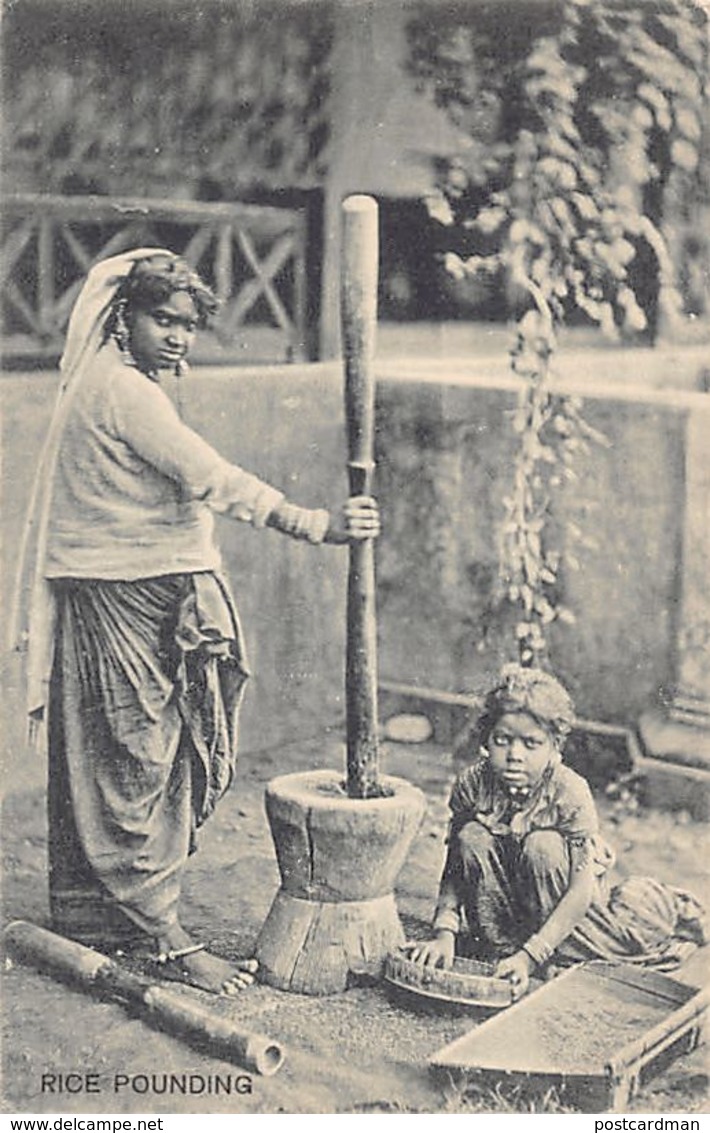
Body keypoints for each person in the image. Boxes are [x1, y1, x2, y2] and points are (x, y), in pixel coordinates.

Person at [12, 248, 380, 996]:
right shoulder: (125, 393)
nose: (177, 336)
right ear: (123, 316)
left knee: (122, 750)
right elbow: (210, 477)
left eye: (187, 325)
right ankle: (165, 937)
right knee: (136, 757)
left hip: (129, 586)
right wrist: (318, 523)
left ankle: (97, 918)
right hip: (124, 593)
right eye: (162, 319)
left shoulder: (113, 382)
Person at [407, 664, 705, 999]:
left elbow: (581, 892)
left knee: (546, 847)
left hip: (567, 914)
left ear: (554, 747)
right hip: (503, 913)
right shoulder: (473, 785)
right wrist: (444, 931)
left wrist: (532, 956)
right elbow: (456, 865)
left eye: (531, 743)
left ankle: (554, 950)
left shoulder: (569, 792)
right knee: (472, 836)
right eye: (503, 740)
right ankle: (503, 948)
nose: (515, 756)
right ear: (487, 741)